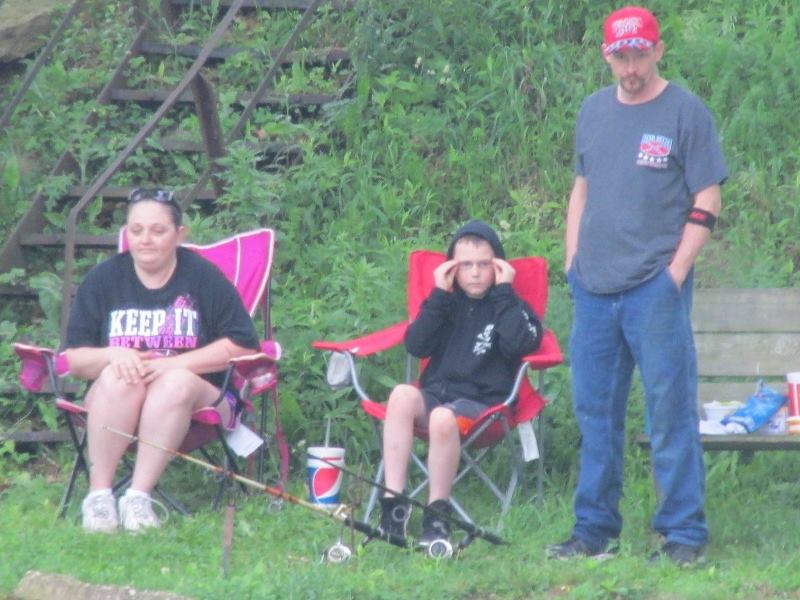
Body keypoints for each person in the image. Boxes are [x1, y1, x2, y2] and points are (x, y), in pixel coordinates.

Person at [548, 6, 728, 566]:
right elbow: (581, 188)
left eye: (640, 55)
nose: (631, 68)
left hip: (654, 286)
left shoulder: (685, 111)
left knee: (669, 411)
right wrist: (572, 259)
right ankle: (593, 530)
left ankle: (683, 535)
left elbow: (708, 197)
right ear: (607, 56)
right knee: (595, 414)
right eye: (621, 57)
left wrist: (675, 273)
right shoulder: (593, 111)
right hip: (593, 288)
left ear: (658, 50)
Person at [63, 187, 260, 533]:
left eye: (157, 231)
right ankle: (99, 498)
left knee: (174, 382)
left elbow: (244, 344)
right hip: (115, 399)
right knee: (118, 376)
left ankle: (138, 498)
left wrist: (171, 365)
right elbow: (75, 360)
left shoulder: (203, 278)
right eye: (136, 230)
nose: (145, 240)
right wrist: (112, 354)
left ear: (179, 234)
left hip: (198, 398)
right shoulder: (103, 280)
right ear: (126, 233)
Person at [378, 220, 543, 547]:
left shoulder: (511, 307)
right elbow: (416, 345)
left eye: (484, 264)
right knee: (401, 395)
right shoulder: (445, 304)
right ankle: (394, 504)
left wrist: (505, 293)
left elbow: (521, 344)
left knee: (443, 417)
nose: (475, 273)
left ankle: (437, 513)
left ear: (499, 266)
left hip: (484, 408)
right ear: (452, 268)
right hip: (437, 396)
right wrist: (439, 294)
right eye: (466, 265)